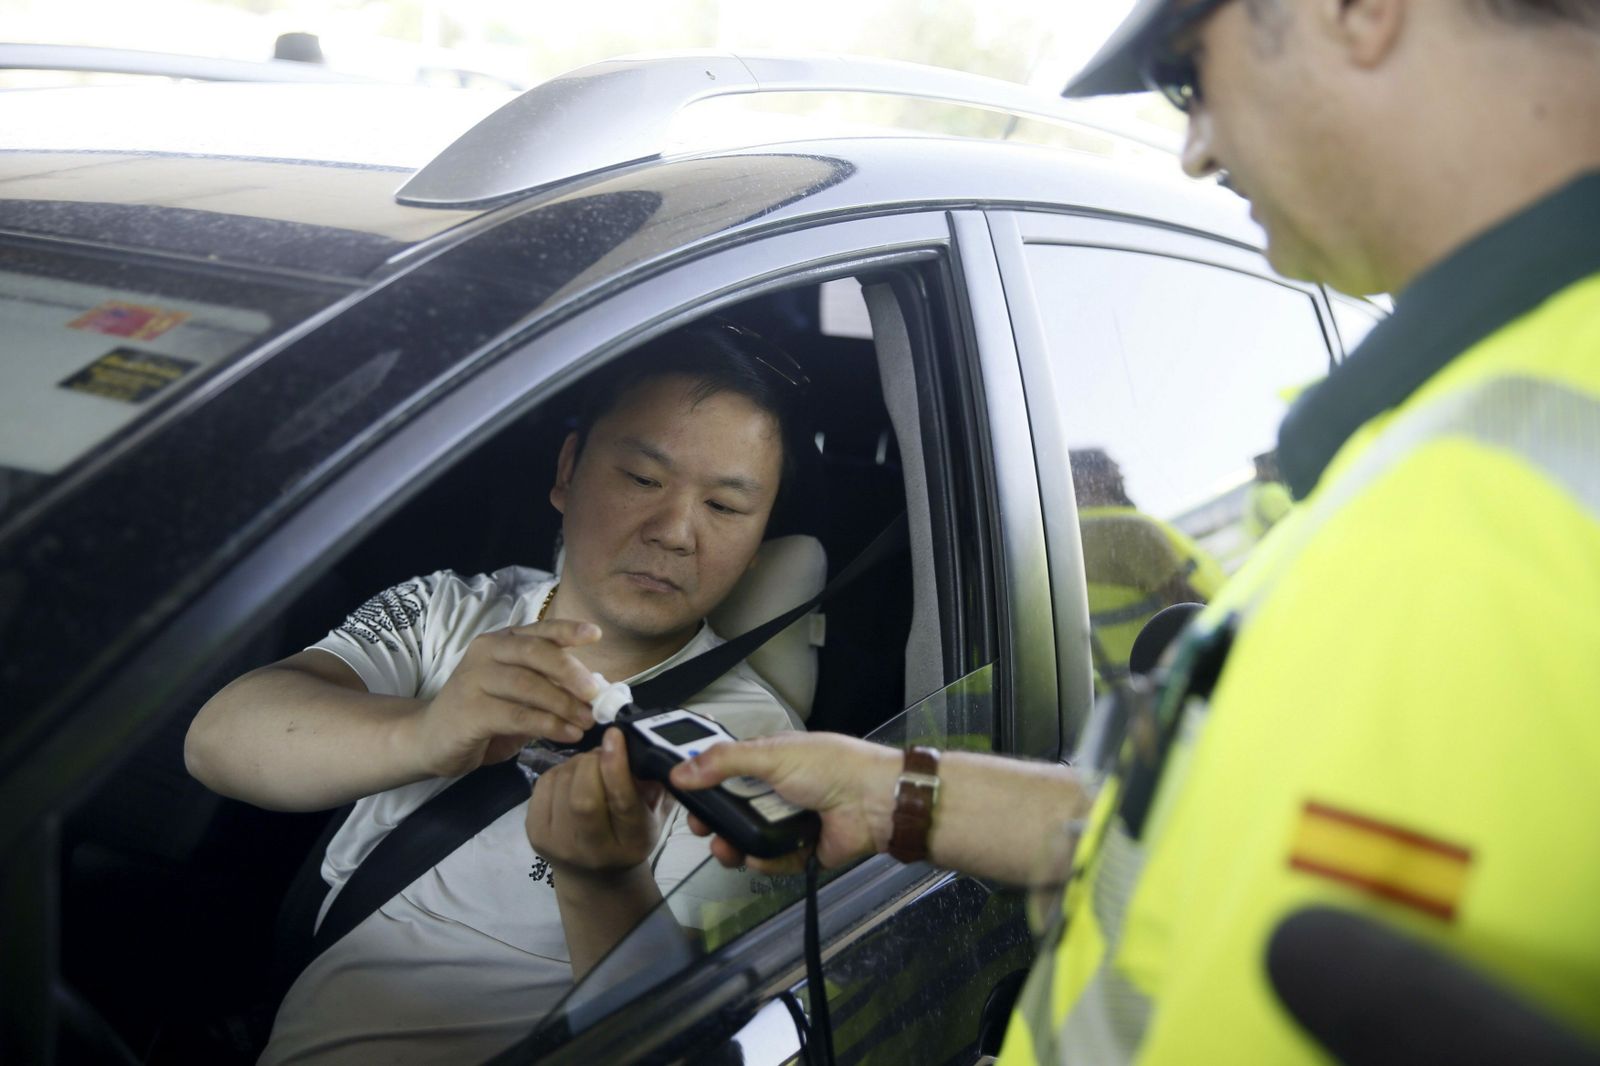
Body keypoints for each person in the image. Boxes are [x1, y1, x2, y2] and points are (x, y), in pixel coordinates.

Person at [670, 1, 1600, 1061]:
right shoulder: (1446, 428)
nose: (1196, 149)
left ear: (1353, 12)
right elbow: (1193, 841)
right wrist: (892, 790)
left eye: (1187, 77)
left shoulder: (1521, 452)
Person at [185, 320, 809, 1063]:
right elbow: (217, 741)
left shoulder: (753, 764)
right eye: (643, 479)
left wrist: (599, 882)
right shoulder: (448, 613)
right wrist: (422, 734)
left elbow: (686, 1043)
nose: (676, 531)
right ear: (568, 469)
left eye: (727, 508)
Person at [1070, 447, 1224, 681]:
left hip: (1131, 690)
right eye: (1111, 468)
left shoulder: (1057, 542)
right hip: (1183, 674)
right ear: (1085, 478)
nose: (1121, 475)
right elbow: (1194, 609)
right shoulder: (1127, 530)